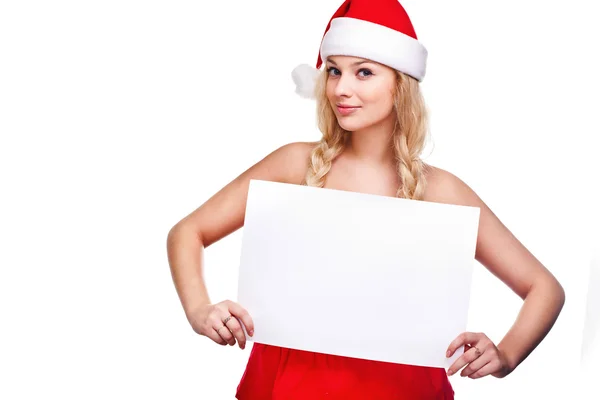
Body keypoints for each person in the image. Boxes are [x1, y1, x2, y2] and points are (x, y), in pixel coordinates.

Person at [166, 0, 566, 398]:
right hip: (290, 384)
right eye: (335, 70)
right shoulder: (294, 164)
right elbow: (189, 231)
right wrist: (200, 310)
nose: (341, 88)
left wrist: (506, 355)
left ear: (400, 83)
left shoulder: (441, 191)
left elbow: (543, 287)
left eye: (364, 72)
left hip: (402, 389)